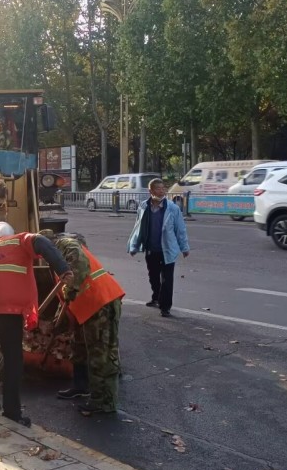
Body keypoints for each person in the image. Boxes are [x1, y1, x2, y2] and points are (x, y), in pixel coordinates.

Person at [0, 222, 72, 427]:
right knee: (13, 358)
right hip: (9, 307)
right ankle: (12, 413)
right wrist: (63, 270)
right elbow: (42, 242)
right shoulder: (19, 240)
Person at [53, 234, 125, 416]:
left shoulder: (65, 245)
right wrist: (59, 317)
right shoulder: (55, 259)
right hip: (86, 308)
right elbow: (64, 293)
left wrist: (69, 290)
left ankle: (104, 401)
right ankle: (81, 385)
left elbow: (77, 271)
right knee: (80, 347)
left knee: (101, 354)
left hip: (101, 302)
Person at [127, 178, 190, 317]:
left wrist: (184, 247)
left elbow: (180, 229)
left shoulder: (172, 208)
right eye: (158, 189)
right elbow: (138, 228)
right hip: (151, 249)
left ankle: (165, 306)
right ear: (151, 191)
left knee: (167, 280)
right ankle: (156, 297)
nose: (161, 191)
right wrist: (134, 246)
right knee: (153, 277)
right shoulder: (144, 206)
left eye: (163, 188)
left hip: (167, 250)